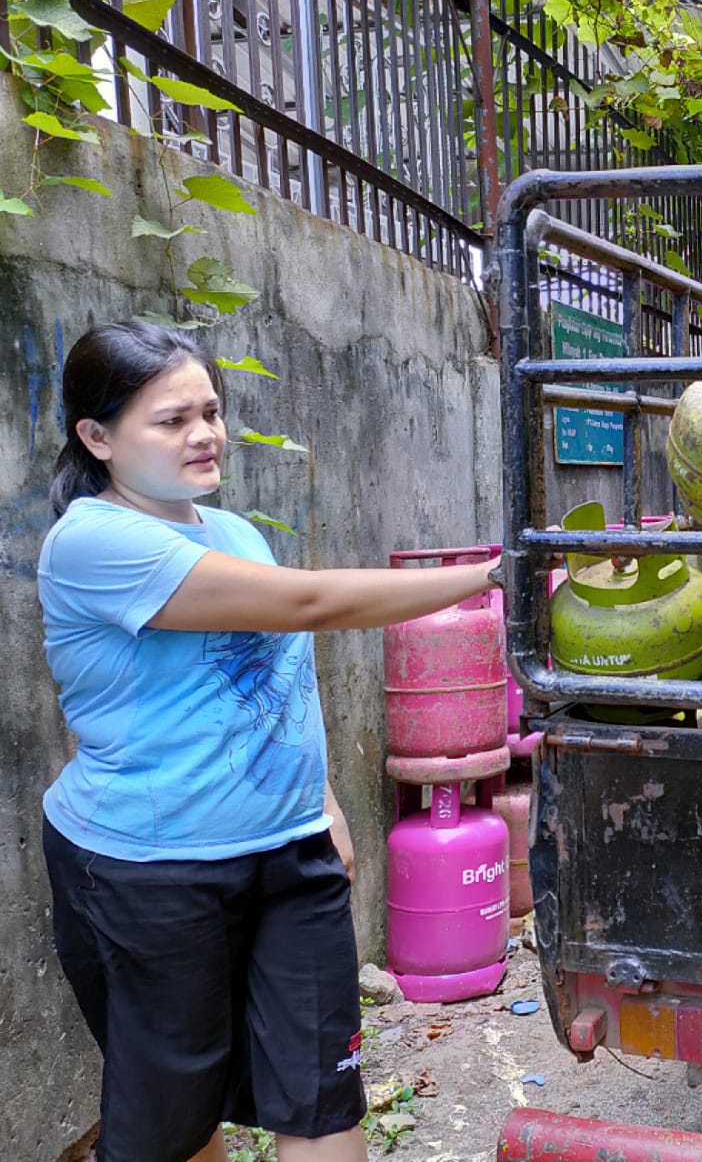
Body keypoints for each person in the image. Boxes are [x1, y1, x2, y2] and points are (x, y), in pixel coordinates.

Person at [37, 320, 500, 1162]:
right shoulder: (92, 543)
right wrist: (492, 573)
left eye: (210, 411)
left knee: (323, 1091)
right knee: (174, 1120)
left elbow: (286, 684)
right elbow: (309, 605)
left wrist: (320, 805)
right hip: (152, 867)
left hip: (290, 858)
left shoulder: (237, 535)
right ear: (96, 437)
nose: (206, 434)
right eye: (171, 420)